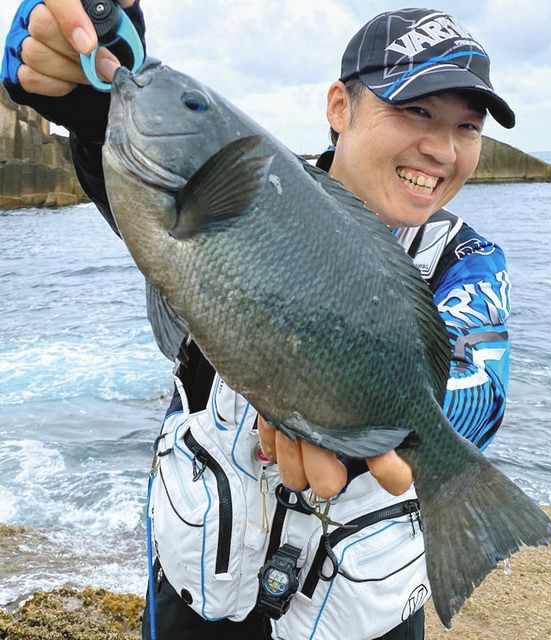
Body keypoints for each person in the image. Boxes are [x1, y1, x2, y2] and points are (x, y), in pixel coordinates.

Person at [3, 3, 513, 639]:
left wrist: (353, 433)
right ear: (338, 108)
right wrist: (91, 108)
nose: (441, 148)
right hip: (195, 587)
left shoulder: (468, 260)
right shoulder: (244, 189)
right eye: (415, 111)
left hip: (358, 617)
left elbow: (481, 393)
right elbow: (148, 205)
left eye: (468, 127)